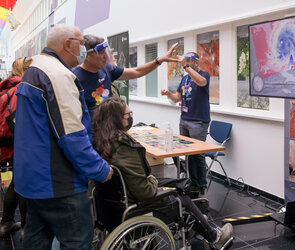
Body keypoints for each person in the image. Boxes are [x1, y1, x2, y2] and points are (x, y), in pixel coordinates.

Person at [13, 24, 113, 250]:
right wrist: (100, 169)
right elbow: (71, 135)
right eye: (81, 44)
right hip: (58, 183)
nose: (83, 50)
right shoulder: (57, 75)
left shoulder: (35, 69)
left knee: (36, 240)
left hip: (33, 180)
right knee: (77, 241)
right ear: (68, 44)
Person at [91, 97, 233, 249]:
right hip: (134, 207)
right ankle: (213, 235)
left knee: (180, 184)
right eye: (128, 114)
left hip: (111, 206)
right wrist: (151, 181)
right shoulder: (124, 149)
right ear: (116, 119)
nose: (131, 115)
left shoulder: (101, 143)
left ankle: (197, 221)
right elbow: (145, 192)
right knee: (182, 198)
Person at [72, 34, 178, 117]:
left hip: (108, 130)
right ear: (87, 55)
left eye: (105, 51)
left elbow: (137, 71)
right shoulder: (74, 77)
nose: (105, 56)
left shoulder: (107, 70)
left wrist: (160, 60)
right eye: (101, 52)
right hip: (90, 135)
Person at [161, 52, 210, 197]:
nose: (186, 63)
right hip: (185, 119)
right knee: (188, 153)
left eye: (189, 61)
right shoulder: (185, 79)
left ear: (196, 62)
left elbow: (201, 82)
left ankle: (201, 185)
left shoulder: (203, 75)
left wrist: (185, 65)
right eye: (185, 60)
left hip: (198, 121)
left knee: (198, 154)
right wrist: (168, 93)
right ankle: (192, 182)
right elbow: (177, 98)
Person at [0, 57, 32, 241]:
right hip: (21, 144)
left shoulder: (6, 88)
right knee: (24, 183)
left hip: (6, 146)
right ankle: (26, 229)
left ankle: (6, 223)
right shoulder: (22, 90)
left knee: (16, 183)